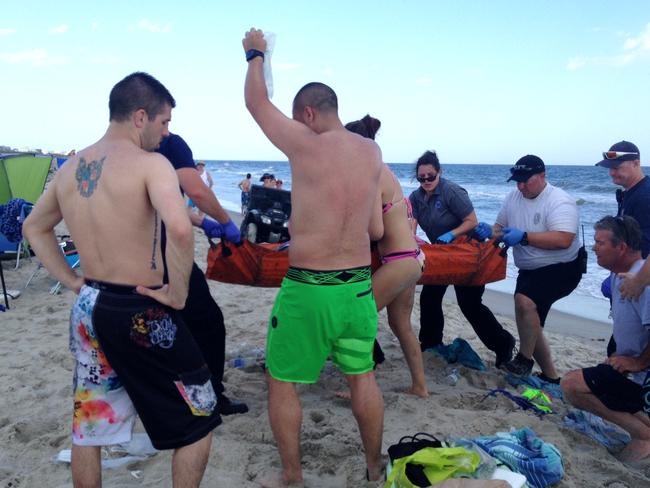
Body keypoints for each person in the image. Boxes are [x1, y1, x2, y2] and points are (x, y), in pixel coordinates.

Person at [22, 72, 220, 488]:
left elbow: (34, 228)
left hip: (90, 305)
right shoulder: (152, 165)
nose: (166, 134)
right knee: (200, 416)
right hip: (140, 308)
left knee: (91, 423)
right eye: (164, 123)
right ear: (140, 116)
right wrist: (177, 294)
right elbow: (181, 229)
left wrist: (73, 281)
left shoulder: (70, 168)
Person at [243, 28, 385, 485]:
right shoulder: (372, 150)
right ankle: (371, 466)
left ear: (308, 113)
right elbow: (375, 227)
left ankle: (292, 473)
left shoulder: (306, 142)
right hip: (358, 289)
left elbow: (255, 104)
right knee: (362, 378)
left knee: (282, 381)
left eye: (298, 119)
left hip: (311, 287)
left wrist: (255, 54)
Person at [158, 133, 248, 416]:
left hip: (130, 257)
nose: (166, 128)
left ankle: (174, 393)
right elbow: (196, 191)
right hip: (166, 255)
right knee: (208, 323)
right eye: (165, 120)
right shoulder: (170, 143)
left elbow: (163, 205)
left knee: (169, 326)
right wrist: (224, 220)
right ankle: (210, 397)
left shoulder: (122, 154)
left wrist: (202, 222)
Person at [475, 155, 583, 381]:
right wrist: (488, 231)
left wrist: (524, 237)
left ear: (542, 176)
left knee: (525, 303)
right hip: (529, 269)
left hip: (563, 267)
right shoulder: (513, 197)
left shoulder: (559, 200)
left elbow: (563, 239)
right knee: (530, 323)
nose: (521, 186)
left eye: (526, 180)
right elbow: (500, 228)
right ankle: (551, 376)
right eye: (517, 181)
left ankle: (524, 360)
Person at [346, 115, 428, 398]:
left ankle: (360, 387)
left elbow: (375, 229)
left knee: (357, 320)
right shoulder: (385, 170)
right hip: (413, 256)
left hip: (399, 261)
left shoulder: (370, 174)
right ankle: (420, 386)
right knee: (400, 324)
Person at [409, 150, 516, 368]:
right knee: (429, 297)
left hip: (467, 253)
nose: (426, 181)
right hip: (440, 254)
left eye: (431, 176)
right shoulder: (416, 197)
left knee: (469, 304)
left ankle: (503, 344)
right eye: (422, 178)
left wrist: (452, 234)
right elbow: (413, 221)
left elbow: (471, 221)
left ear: (439, 172)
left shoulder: (451, 192)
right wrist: (411, 239)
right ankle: (430, 343)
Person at [561, 215, 650, 462]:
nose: (593, 247)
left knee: (572, 385)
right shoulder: (619, 275)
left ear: (621, 247)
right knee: (593, 379)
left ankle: (643, 435)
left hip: (644, 377)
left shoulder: (642, 282)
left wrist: (639, 363)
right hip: (629, 366)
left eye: (600, 242)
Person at [595, 141, 650, 300]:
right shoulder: (631, 192)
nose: (612, 173)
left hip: (641, 281)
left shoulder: (645, 196)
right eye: (610, 168)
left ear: (636, 163)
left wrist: (639, 281)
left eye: (617, 167)